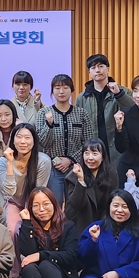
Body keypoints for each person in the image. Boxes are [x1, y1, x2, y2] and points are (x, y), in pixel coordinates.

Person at [0, 123, 51, 275]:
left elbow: (39, 191)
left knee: (33, 230)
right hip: (13, 201)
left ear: (34, 141)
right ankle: (15, 271)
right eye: (19, 137)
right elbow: (9, 191)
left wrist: (28, 214)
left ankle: (34, 268)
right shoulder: (3, 161)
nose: (23, 141)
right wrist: (9, 163)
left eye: (27, 138)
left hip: (35, 202)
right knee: (13, 230)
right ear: (12, 140)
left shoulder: (43, 161)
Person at [36, 74, 93, 207]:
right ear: (52, 91)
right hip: (52, 168)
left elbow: (88, 142)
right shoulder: (43, 113)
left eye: (65, 87)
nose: (61, 91)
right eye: (57, 88)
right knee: (53, 204)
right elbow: (42, 143)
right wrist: (49, 125)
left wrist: (70, 160)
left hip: (76, 167)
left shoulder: (81, 113)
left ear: (72, 90)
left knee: (75, 205)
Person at [74, 54, 134, 164]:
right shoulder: (82, 98)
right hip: (92, 152)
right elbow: (77, 127)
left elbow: (133, 111)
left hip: (118, 150)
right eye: (93, 68)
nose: (97, 70)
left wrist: (118, 94)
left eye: (101, 66)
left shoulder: (122, 91)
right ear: (89, 72)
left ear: (108, 69)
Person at [64, 138, 119, 234]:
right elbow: (77, 204)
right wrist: (80, 180)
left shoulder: (111, 174)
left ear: (102, 157)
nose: (90, 158)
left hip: (103, 223)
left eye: (95, 153)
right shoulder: (74, 174)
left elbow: (113, 200)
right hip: (79, 223)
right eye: (86, 153)